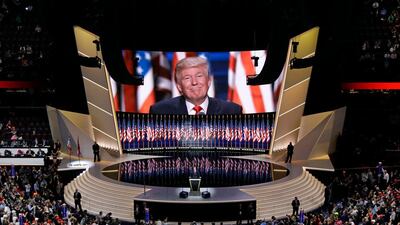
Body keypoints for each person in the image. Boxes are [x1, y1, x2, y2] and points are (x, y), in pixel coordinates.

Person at [149, 56, 242, 115]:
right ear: (179, 86)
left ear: (209, 81)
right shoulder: (160, 111)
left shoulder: (231, 111)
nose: (194, 82)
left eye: (199, 76)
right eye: (187, 78)